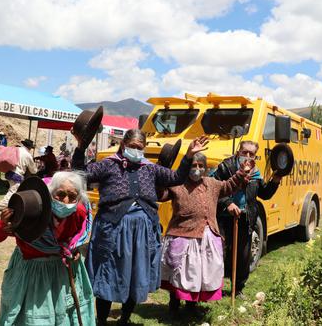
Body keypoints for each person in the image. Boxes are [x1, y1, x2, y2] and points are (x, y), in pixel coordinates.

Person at [72, 128, 208, 325]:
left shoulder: (150, 168)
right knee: (108, 273)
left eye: (140, 147)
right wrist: (80, 148)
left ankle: (124, 319)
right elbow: (80, 174)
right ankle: (101, 320)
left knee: (135, 275)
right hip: (114, 229)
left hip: (143, 232)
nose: (136, 150)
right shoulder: (109, 165)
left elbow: (176, 178)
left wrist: (188, 155)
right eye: (132, 146)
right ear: (123, 145)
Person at [0, 172, 96, 325]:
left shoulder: (78, 212)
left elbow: (75, 239)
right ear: (51, 193)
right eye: (61, 194)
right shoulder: (31, 210)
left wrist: (74, 250)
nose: (66, 201)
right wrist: (2, 225)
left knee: (64, 315)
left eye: (72, 197)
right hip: (31, 274)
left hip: (62, 272)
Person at [158, 152, 250, 311]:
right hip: (182, 235)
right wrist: (160, 178)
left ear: (206, 169)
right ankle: (174, 303)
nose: (197, 169)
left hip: (206, 236)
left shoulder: (212, 184)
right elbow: (161, 195)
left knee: (198, 273)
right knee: (179, 272)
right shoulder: (177, 184)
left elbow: (229, 186)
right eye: (194, 165)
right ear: (187, 167)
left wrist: (242, 173)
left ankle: (191, 305)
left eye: (201, 166)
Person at [214, 141, 282, 298]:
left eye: (252, 154)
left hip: (246, 218)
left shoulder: (256, 173)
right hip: (224, 217)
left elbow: (264, 194)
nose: (248, 156)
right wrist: (227, 203)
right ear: (238, 152)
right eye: (245, 152)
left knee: (243, 256)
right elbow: (214, 188)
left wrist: (275, 180)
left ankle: (237, 289)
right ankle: (215, 288)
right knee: (220, 253)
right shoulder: (226, 167)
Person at [0, 139, 38, 210]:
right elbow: (33, 170)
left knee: (12, 189)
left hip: (9, 172)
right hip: (17, 174)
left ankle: (11, 205)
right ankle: (2, 205)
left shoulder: (16, 150)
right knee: (13, 191)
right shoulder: (27, 155)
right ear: (30, 147)